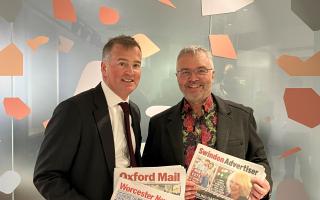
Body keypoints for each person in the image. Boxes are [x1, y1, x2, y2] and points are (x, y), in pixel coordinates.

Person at [142, 46, 272, 200]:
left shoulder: (242, 116)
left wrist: (264, 184)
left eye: (201, 70)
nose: (193, 78)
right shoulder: (159, 124)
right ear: (177, 77)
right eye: (185, 72)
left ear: (213, 75)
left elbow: (259, 161)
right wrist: (172, 191)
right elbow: (148, 175)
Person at [33, 35, 143, 200]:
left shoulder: (133, 111)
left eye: (136, 65)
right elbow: (46, 176)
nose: (130, 71)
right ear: (104, 68)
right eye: (122, 64)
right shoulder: (73, 110)